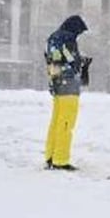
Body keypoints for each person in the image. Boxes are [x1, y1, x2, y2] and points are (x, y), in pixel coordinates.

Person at [44, 15, 91, 171]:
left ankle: (50, 156)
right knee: (66, 123)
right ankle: (61, 160)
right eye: (79, 32)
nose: (78, 35)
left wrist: (54, 79)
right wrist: (82, 62)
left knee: (56, 122)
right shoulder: (67, 38)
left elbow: (54, 59)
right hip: (68, 85)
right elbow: (71, 60)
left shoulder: (53, 38)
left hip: (57, 83)